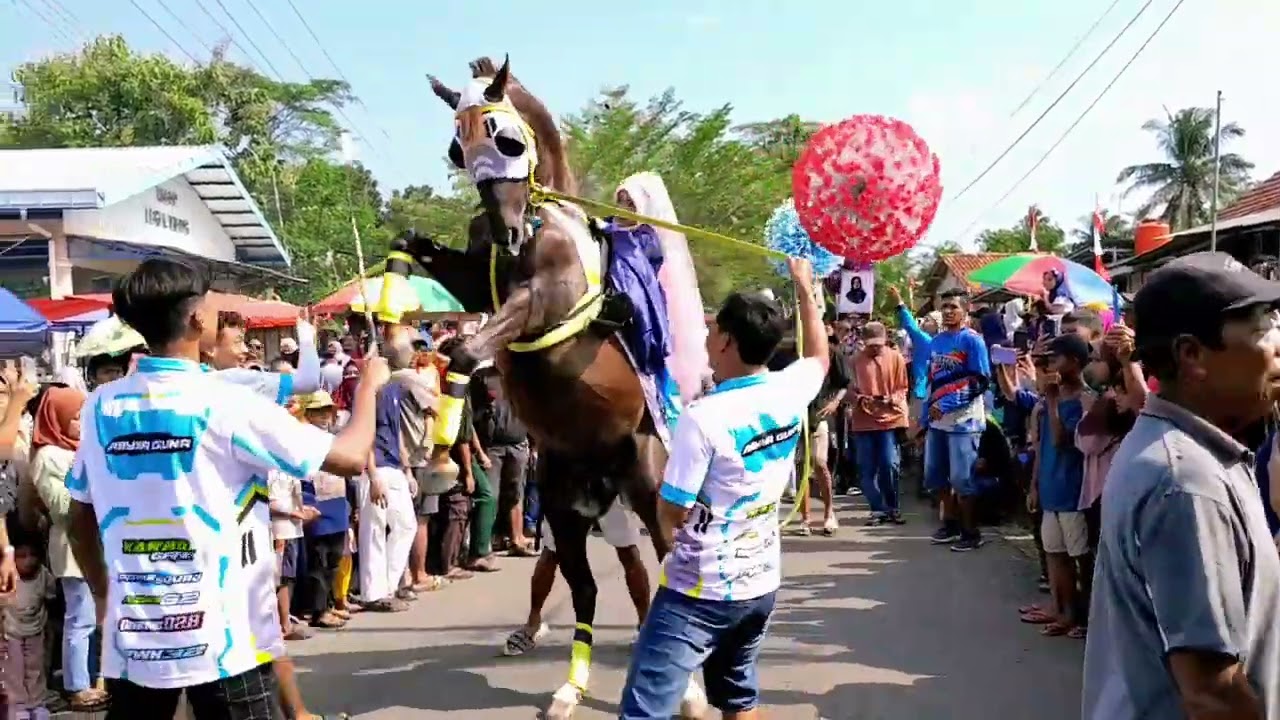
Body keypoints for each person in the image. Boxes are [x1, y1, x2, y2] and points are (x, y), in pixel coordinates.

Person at [64, 258, 386, 720]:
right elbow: (350, 458)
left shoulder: (100, 407)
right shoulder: (226, 402)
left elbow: (79, 520)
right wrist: (367, 389)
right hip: (225, 641)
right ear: (197, 319)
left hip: (134, 640)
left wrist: (103, 595)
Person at [618, 258, 827, 719]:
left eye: (713, 329)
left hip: (699, 592)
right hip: (759, 585)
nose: (707, 337)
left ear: (728, 341)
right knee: (737, 697)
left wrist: (677, 550)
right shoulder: (790, 389)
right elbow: (819, 356)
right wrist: (807, 290)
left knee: (643, 711)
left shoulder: (705, 417)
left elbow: (671, 511)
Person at [1083, 252, 1280, 720]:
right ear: (1192, 355)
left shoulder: (1195, 452)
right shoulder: (1186, 480)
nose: (1277, 346)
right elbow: (1213, 694)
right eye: (1260, 329)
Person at [28, 385, 108, 711]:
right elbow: (61, 507)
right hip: (73, 546)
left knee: (95, 617)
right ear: (57, 419)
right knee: (81, 617)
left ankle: (92, 679)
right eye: (73, 417)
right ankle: (77, 686)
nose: (79, 423)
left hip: (96, 545)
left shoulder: (80, 447)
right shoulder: (49, 456)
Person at [502, 500, 650, 657]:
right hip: (569, 489)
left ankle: (646, 626)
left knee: (628, 552)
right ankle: (532, 625)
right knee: (552, 552)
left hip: (609, 486)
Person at [1021, 334, 1089, 639]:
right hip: (1049, 488)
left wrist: (1050, 402)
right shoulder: (1051, 398)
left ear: (1074, 361)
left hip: (1073, 491)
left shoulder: (1084, 400)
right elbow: (1040, 445)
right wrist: (1034, 485)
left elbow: (1063, 440)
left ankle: (1081, 615)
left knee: (1080, 558)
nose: (1051, 366)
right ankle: (1061, 611)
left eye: (1056, 359)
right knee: (1054, 554)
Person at [923, 289, 991, 551]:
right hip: (937, 420)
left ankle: (971, 532)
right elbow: (932, 379)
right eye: (944, 307)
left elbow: (981, 380)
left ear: (966, 309)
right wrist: (927, 410)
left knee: (962, 479)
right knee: (934, 476)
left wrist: (947, 403)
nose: (948, 311)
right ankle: (949, 523)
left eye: (953, 306)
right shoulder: (936, 341)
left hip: (964, 422)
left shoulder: (973, 341)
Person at [292, 391, 352, 630]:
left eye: (328, 410)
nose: (325, 416)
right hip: (316, 502)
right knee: (319, 560)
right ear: (308, 413)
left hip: (337, 502)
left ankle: (328, 605)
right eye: (318, 411)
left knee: (334, 560)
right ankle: (318, 610)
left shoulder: (332, 437)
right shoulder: (302, 438)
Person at [848, 321, 910, 525]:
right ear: (863, 342)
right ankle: (878, 509)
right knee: (866, 469)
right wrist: (860, 399)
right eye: (871, 344)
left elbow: (903, 389)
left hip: (889, 420)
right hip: (863, 420)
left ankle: (892, 507)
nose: (875, 348)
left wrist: (890, 399)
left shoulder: (896, 358)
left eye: (879, 344)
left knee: (889, 464)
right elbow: (847, 390)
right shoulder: (854, 361)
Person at [795, 316, 849, 536]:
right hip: (796, 417)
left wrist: (835, 402)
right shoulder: (794, 353)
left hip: (819, 416)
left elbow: (844, 383)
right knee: (801, 467)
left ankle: (829, 512)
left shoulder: (832, 352)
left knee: (819, 462)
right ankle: (805, 518)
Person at [473, 367, 535, 556]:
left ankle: (517, 540)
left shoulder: (523, 377)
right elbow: (471, 416)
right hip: (492, 447)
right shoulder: (482, 377)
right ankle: (487, 543)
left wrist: (535, 445)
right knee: (491, 495)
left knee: (516, 493)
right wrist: (479, 450)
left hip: (518, 443)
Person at [4, 542, 56, 717]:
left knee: (36, 666)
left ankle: (37, 703)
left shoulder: (43, 575)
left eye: (32, 555)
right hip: (10, 630)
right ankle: (19, 706)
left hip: (36, 628)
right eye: (22, 556)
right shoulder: (7, 573)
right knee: (14, 669)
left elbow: (50, 596)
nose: (28, 561)